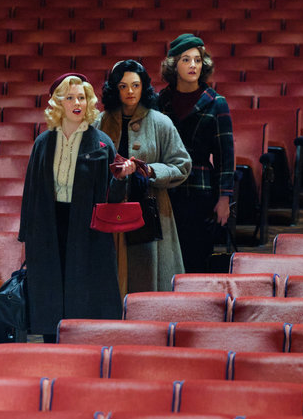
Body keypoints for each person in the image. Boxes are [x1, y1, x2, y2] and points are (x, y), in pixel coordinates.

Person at [19, 72, 136, 342]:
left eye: (81, 97)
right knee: (51, 288)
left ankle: (84, 346)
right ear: (58, 102)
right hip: (49, 224)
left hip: (87, 226)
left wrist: (121, 178)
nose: (76, 103)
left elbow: (112, 198)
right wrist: (27, 234)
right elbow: (31, 191)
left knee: (85, 289)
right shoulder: (43, 143)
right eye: (69, 97)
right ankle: (52, 345)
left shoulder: (102, 142)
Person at [94, 59, 191, 294]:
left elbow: (182, 165)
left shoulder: (161, 122)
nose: (130, 92)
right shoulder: (100, 121)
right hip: (112, 209)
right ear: (114, 89)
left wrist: (150, 171)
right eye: (123, 86)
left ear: (144, 87)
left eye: (135, 85)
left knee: (148, 281)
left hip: (151, 208)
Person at [158, 33, 235, 273]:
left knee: (197, 258)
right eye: (186, 60)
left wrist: (225, 198)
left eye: (198, 60)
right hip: (166, 187)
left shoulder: (216, 102)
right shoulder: (160, 101)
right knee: (167, 258)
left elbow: (225, 156)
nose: (193, 65)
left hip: (200, 188)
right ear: (174, 65)